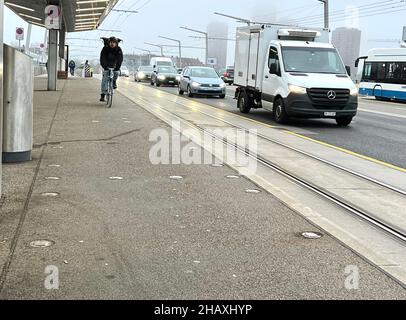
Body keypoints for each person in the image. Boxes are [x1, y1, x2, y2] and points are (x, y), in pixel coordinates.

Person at [99, 37, 123, 102]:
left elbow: (120, 59)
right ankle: (103, 95)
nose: (112, 44)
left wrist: (117, 67)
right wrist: (104, 66)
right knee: (105, 79)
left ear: (116, 43)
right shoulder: (105, 49)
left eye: (114, 42)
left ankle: (114, 81)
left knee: (117, 73)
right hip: (106, 65)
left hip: (114, 66)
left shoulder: (118, 49)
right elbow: (102, 58)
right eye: (111, 42)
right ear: (109, 43)